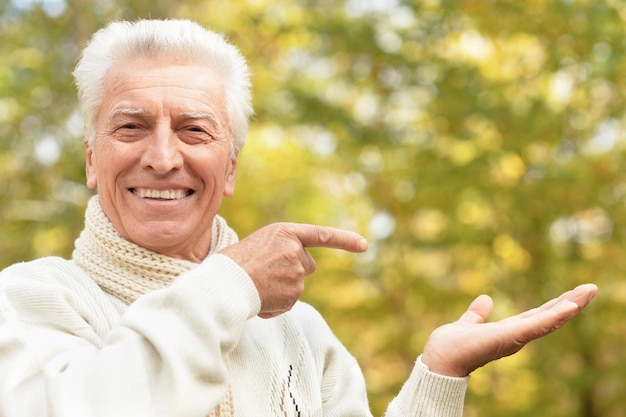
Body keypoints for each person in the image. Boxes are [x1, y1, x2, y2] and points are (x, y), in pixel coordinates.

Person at [0, 19, 597, 417]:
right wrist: (230, 283)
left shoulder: (301, 333)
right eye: (131, 126)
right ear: (90, 159)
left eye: (194, 130)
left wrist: (437, 378)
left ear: (229, 168)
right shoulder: (27, 299)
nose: (161, 157)